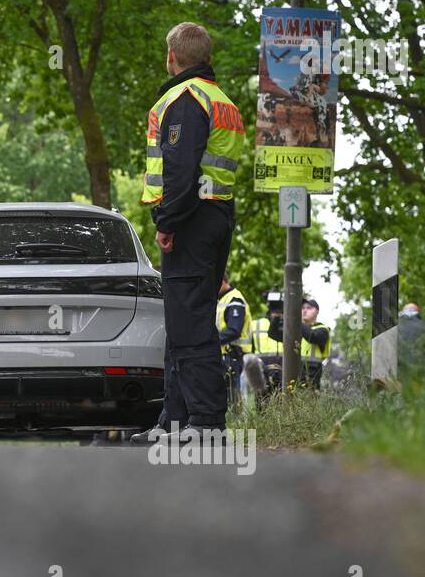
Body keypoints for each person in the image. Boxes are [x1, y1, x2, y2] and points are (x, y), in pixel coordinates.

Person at [131, 22, 244, 444]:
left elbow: (180, 170)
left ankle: (206, 423)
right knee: (183, 318)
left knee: (191, 320)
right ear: (208, 58)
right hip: (216, 215)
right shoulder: (221, 100)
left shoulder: (183, 99)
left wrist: (167, 223)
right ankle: (174, 422)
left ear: (172, 57)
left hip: (191, 219)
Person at [267, 296, 331, 387]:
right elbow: (273, 334)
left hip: (311, 373)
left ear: (317, 311)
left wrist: (295, 319)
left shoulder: (323, 329)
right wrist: (277, 316)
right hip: (294, 371)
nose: (305, 310)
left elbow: (312, 336)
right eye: (302, 308)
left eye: (309, 308)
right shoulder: (297, 329)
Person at [216, 276, 251, 408]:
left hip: (234, 355)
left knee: (233, 397)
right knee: (228, 396)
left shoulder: (234, 299)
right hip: (226, 354)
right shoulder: (223, 299)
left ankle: (236, 425)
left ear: (223, 281)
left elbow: (234, 330)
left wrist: (211, 340)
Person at [398, 302, 425, 373]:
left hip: (396, 376)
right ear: (417, 313)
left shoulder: (392, 328)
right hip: (420, 375)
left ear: (403, 312)